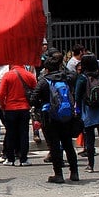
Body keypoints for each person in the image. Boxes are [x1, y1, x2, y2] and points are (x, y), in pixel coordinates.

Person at [33, 50, 79, 184]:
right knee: (68, 144)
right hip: (66, 116)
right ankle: (74, 172)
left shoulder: (44, 81)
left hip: (49, 117)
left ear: (46, 69)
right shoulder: (66, 78)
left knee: (54, 146)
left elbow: (33, 99)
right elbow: (75, 78)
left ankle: (58, 174)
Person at [76, 54, 99, 173]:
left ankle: (90, 165)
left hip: (88, 111)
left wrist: (78, 111)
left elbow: (77, 95)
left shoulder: (83, 78)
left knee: (90, 139)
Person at [0, 64, 36, 166]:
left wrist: (2, 105)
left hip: (10, 107)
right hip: (24, 108)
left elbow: (1, 93)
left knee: (10, 134)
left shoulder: (7, 75)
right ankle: (23, 158)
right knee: (24, 133)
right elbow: (35, 90)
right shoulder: (29, 75)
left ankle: (10, 158)